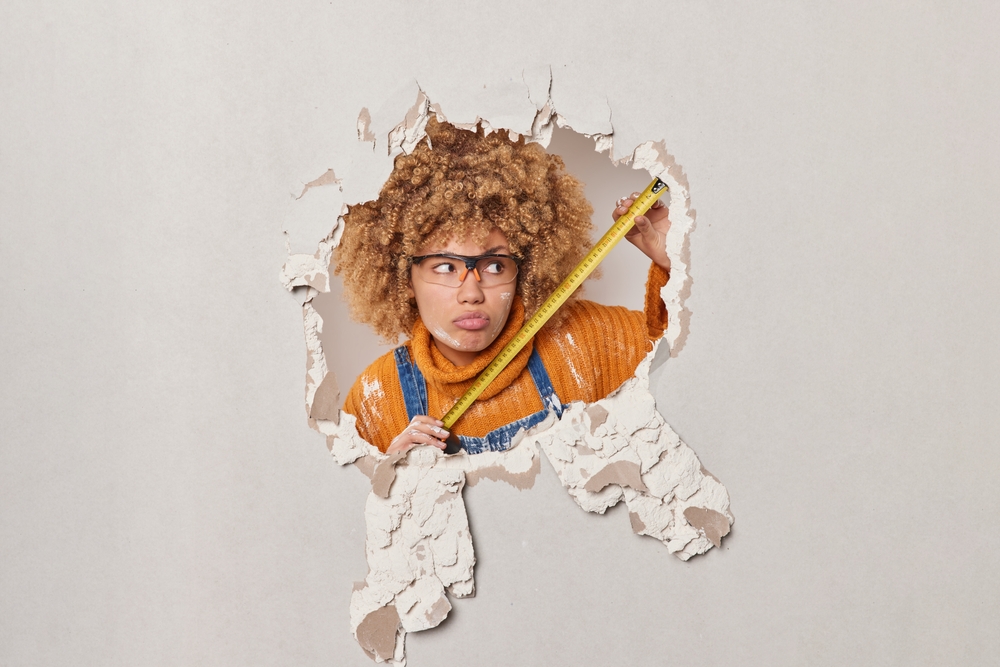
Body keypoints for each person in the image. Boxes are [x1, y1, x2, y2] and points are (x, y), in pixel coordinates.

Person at [336, 118, 671, 455]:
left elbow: (692, 367)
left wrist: (678, 261)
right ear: (404, 277)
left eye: (495, 266)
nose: (472, 293)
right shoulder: (374, 400)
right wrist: (387, 478)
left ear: (525, 268)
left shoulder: (587, 339)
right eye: (445, 267)